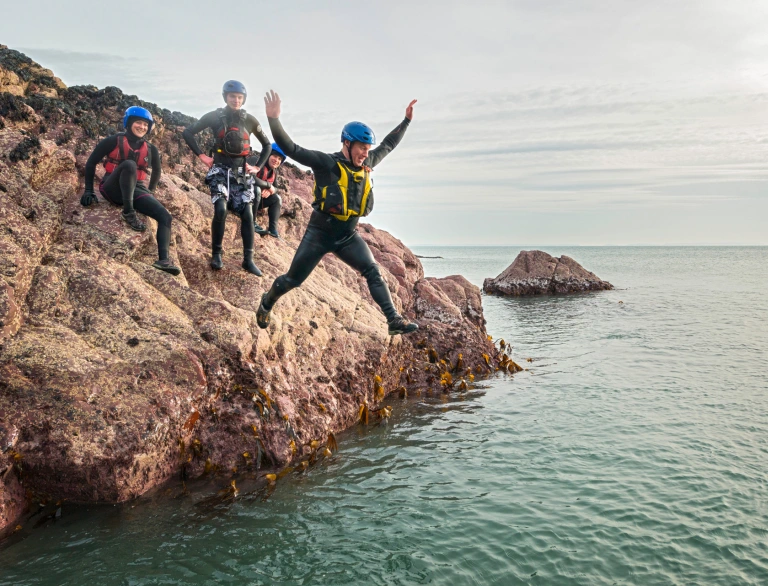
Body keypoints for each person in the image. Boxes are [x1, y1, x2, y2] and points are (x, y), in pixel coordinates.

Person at [256, 90, 419, 336]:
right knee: (292, 280)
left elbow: (388, 145)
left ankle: (393, 319)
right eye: (361, 148)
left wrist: (406, 121)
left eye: (367, 149)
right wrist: (273, 119)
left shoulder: (367, 163)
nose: (365, 154)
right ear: (347, 144)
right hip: (319, 235)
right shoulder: (327, 164)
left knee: (373, 271)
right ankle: (267, 301)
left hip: (347, 236)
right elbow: (292, 149)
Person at [182, 80, 272, 275]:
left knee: (248, 214)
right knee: (221, 209)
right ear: (226, 97)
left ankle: (248, 260)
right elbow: (188, 132)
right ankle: (216, 254)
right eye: (232, 96)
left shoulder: (250, 120)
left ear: (244, 99)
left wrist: (257, 167)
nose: (236, 100)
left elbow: (267, 145)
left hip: (241, 173)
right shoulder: (214, 116)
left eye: (240, 97)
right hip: (220, 170)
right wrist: (202, 156)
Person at [80, 106, 180, 275]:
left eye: (146, 124)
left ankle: (164, 260)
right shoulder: (113, 140)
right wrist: (88, 190)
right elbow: (91, 162)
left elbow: (157, 171)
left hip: (136, 189)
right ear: (129, 122)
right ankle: (128, 212)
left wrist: (151, 191)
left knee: (165, 217)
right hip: (112, 187)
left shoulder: (151, 149)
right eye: (138, 123)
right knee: (129, 164)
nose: (142, 127)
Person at [249, 142, 286, 238]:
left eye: (279, 159)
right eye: (275, 156)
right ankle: (251, 223)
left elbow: (276, 188)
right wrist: (268, 186)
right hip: (240, 199)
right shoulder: (255, 160)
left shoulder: (274, 172)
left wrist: (270, 190)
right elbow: (250, 178)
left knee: (277, 198)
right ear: (268, 154)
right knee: (257, 189)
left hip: (254, 202)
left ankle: (273, 230)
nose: (276, 160)